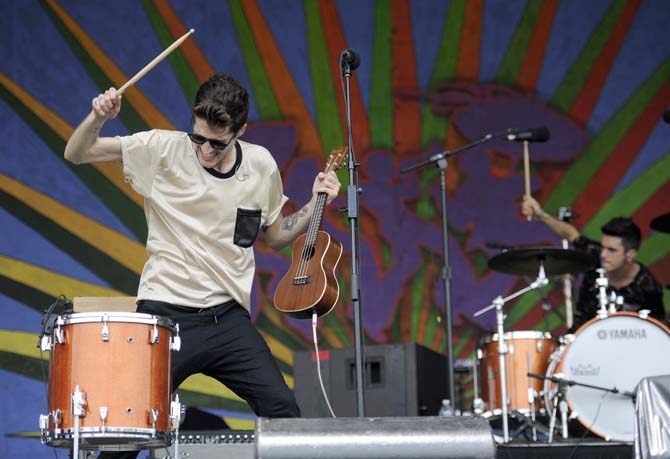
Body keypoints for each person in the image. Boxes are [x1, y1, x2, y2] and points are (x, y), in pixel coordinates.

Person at [64, 72, 341, 458]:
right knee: (125, 435)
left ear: (240, 131)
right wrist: (98, 116)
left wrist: (315, 204)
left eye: (217, 142)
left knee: (283, 412)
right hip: (164, 314)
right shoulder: (161, 147)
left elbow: (275, 234)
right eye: (199, 138)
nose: (205, 150)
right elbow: (77, 153)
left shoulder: (260, 165)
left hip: (227, 319)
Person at [521, 195, 665, 332]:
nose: (603, 254)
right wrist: (540, 215)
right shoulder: (595, 256)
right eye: (603, 247)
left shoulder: (647, 285)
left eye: (612, 250)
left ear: (630, 255)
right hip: (585, 333)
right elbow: (571, 234)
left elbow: (657, 330)